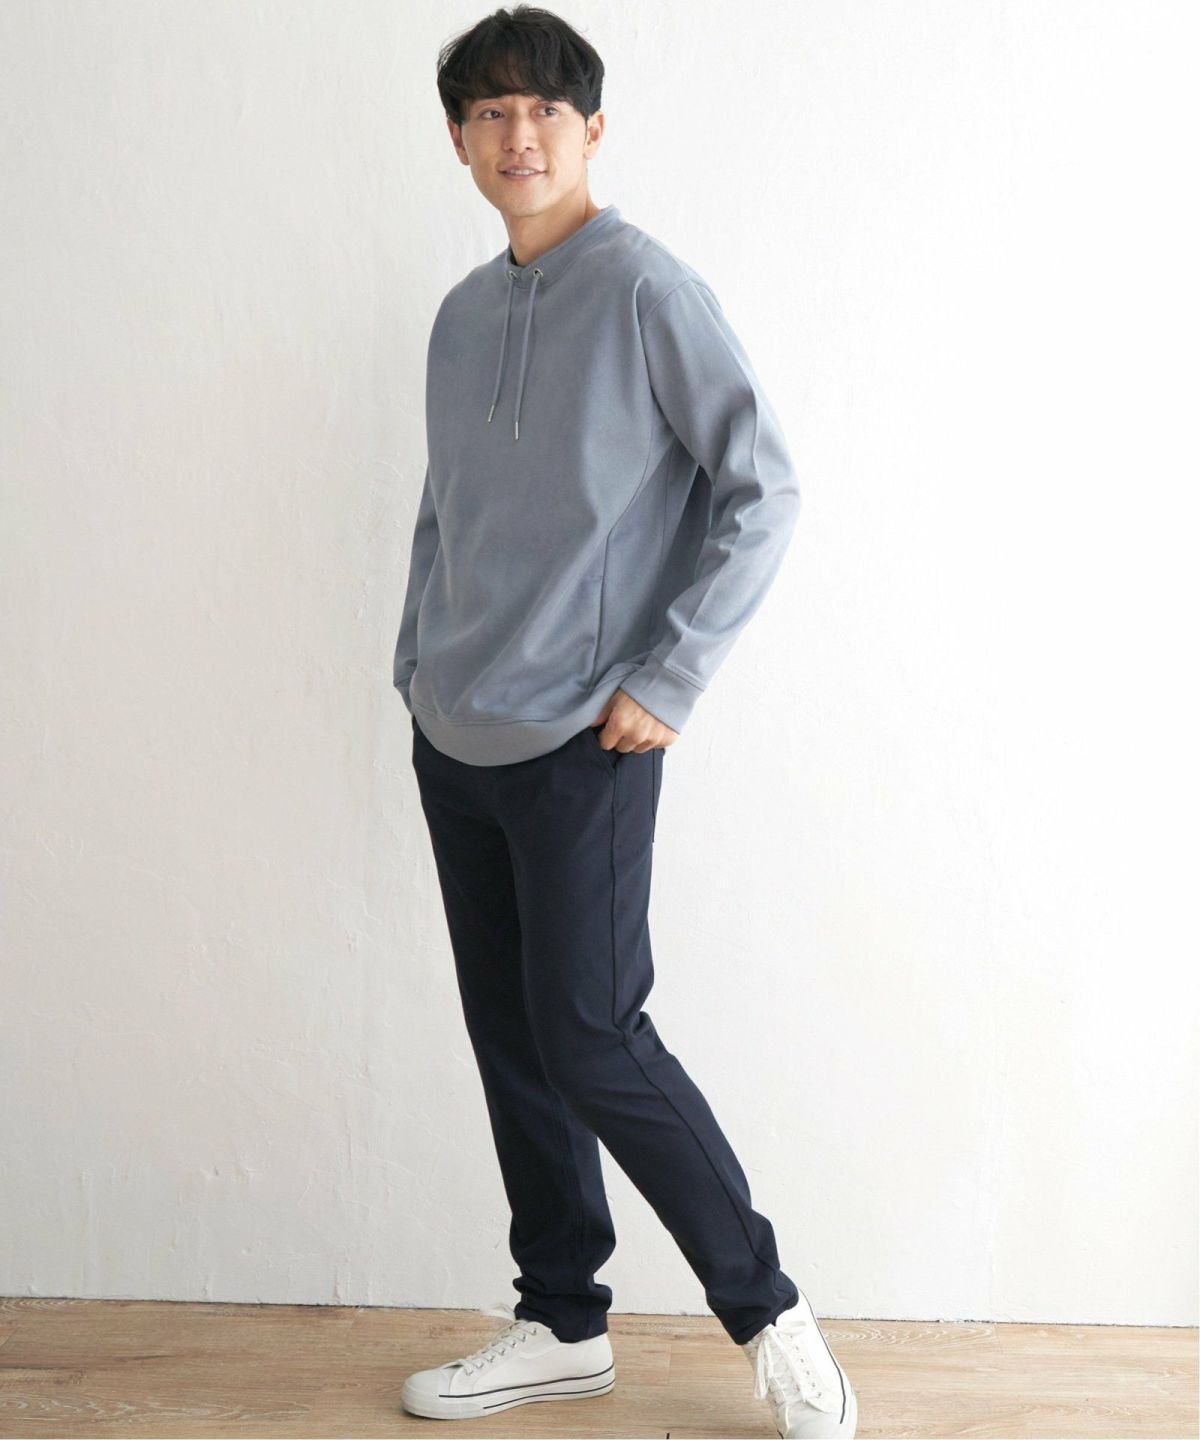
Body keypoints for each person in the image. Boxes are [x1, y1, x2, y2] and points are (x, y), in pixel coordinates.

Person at [394, 7, 857, 1437]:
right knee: (512, 1038)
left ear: (592, 128)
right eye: (487, 111)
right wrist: (415, 661)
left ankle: (770, 1315)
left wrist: (671, 676)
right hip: (455, 734)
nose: (516, 135)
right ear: (459, 139)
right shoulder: (461, 316)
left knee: (594, 1036)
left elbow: (764, 488)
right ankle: (561, 1320)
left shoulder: (650, 289)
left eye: (543, 108)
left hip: (585, 739)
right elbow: (445, 511)